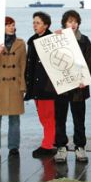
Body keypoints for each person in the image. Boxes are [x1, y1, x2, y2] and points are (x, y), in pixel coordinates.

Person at [54, 10, 91, 163]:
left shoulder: (85, 40)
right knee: (60, 119)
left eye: (75, 21)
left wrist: (84, 78)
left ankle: (80, 147)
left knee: (79, 119)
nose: (73, 24)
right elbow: (50, 59)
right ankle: (61, 147)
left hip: (79, 87)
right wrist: (53, 37)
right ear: (64, 23)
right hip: (62, 87)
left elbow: (89, 61)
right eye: (70, 21)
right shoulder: (57, 38)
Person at [0, 16, 26, 157]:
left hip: (15, 85)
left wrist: (23, 86)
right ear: (1, 27)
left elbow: (23, 66)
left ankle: (14, 147)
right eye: (8, 25)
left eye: (13, 25)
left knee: (14, 118)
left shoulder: (21, 44)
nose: (11, 27)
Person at [25, 11, 58, 158]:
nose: (34, 25)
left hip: (47, 86)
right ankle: (49, 141)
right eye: (33, 22)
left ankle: (47, 145)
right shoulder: (31, 41)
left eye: (37, 23)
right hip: (34, 86)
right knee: (42, 117)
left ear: (46, 25)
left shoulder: (52, 39)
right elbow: (29, 64)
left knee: (48, 116)